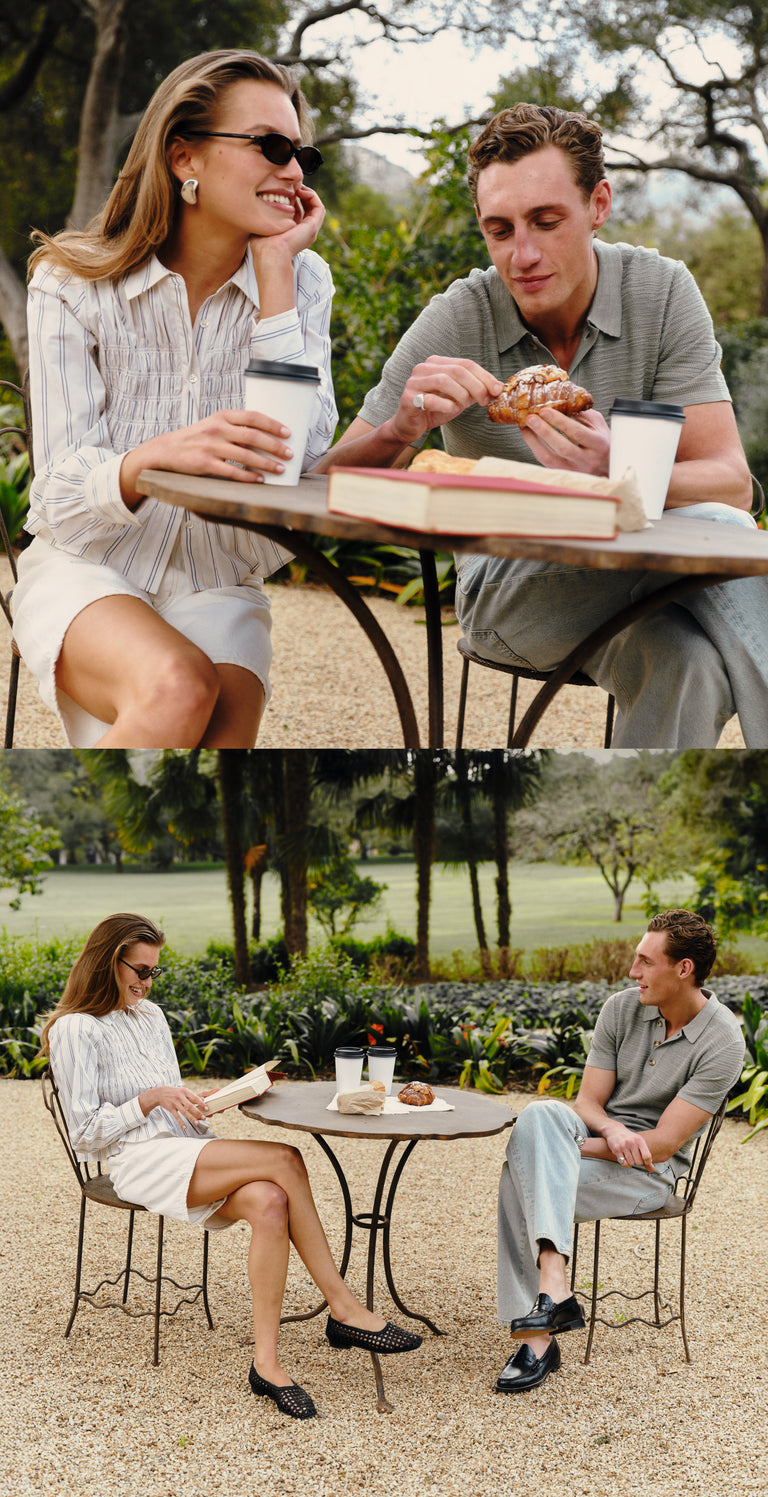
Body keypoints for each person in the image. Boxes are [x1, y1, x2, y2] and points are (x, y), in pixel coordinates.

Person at [319, 103, 768, 749]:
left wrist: (618, 475)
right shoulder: (459, 316)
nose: (521, 254)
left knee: (688, 663)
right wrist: (399, 429)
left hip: (650, 571)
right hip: (511, 590)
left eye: (546, 221)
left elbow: (730, 483)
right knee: (722, 535)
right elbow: (323, 481)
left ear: (599, 204)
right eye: (498, 230)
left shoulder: (662, 291)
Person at [14, 49, 337, 749]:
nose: (292, 170)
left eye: (300, 154)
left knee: (218, 743)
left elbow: (294, 465)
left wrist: (277, 274)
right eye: (271, 146)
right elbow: (61, 497)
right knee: (177, 685)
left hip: (218, 578)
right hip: (86, 562)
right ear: (184, 158)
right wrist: (146, 461)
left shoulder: (304, 282)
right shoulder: (69, 284)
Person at [40, 914, 421, 1419]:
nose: (147, 982)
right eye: (139, 970)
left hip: (184, 1150)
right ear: (107, 961)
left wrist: (205, 1105)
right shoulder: (75, 1029)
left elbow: (174, 1102)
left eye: (154, 973)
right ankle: (344, 1308)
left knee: (270, 1199)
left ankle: (267, 1364)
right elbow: (85, 1133)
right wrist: (150, 1100)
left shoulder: (151, 1018)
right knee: (286, 1157)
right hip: (136, 1161)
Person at [493, 908, 745, 1393]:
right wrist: (609, 1131)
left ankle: (536, 1339)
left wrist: (567, 1150)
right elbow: (587, 1102)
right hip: (601, 1144)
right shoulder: (621, 1008)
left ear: (684, 968)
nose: (634, 972)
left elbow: (664, 1143)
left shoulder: (722, 1041)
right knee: (541, 1114)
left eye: (646, 962)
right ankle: (554, 1293)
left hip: (650, 1174)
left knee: (519, 1174)